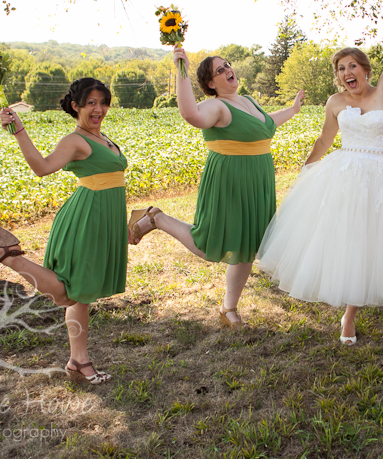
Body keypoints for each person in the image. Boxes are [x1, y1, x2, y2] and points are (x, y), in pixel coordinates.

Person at [256, 0, 383, 345]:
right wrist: (307, 167)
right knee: (346, 238)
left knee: (372, 239)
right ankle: (347, 315)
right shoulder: (336, 103)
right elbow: (324, 139)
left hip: (381, 177)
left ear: (366, 70)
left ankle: (350, 313)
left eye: (352, 66)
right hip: (344, 174)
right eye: (340, 69)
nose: (347, 73)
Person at [0, 78, 127, 384]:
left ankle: (79, 362)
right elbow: (41, 167)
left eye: (103, 102)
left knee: (81, 296)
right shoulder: (75, 140)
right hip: (87, 218)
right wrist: (19, 132)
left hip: (105, 218)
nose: (99, 109)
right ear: (76, 106)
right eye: (91, 103)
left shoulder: (102, 138)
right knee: (69, 293)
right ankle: (6, 254)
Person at [128, 50, 303, 329]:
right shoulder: (217, 106)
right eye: (219, 70)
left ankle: (229, 309)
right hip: (229, 180)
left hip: (258, 180)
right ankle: (155, 218)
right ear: (210, 84)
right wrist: (182, 68)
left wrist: (292, 110)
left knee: (249, 243)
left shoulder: (247, 101)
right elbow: (190, 113)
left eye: (227, 65)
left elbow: (265, 125)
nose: (228, 70)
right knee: (208, 243)